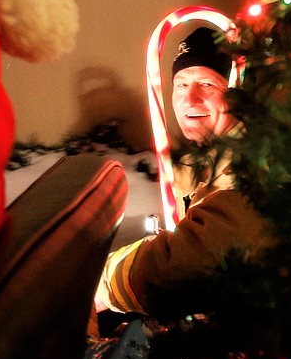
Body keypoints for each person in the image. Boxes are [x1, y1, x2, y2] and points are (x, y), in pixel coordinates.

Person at [93, 26, 271, 320]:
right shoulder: (205, 158)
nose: (190, 100)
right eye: (181, 85)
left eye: (208, 85)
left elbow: (188, 264)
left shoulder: (251, 167)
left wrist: (103, 283)